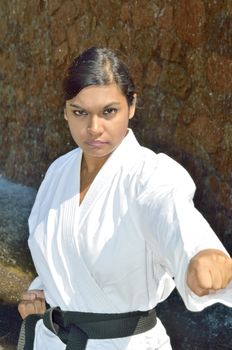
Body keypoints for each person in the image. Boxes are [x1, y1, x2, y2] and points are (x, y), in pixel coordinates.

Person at [18, 47, 232, 350]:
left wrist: (201, 254)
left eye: (108, 111)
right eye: (80, 112)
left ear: (131, 105)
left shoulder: (150, 175)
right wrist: (45, 294)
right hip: (53, 342)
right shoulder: (58, 171)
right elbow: (62, 253)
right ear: (65, 110)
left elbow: (172, 215)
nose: (94, 128)